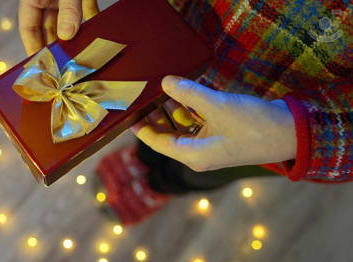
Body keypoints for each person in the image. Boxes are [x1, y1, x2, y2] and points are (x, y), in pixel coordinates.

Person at [19, 0, 353, 225]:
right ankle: (145, 159)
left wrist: (296, 134)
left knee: (206, 165)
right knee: (145, 109)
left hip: (281, 110)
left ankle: (163, 183)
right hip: (176, 29)